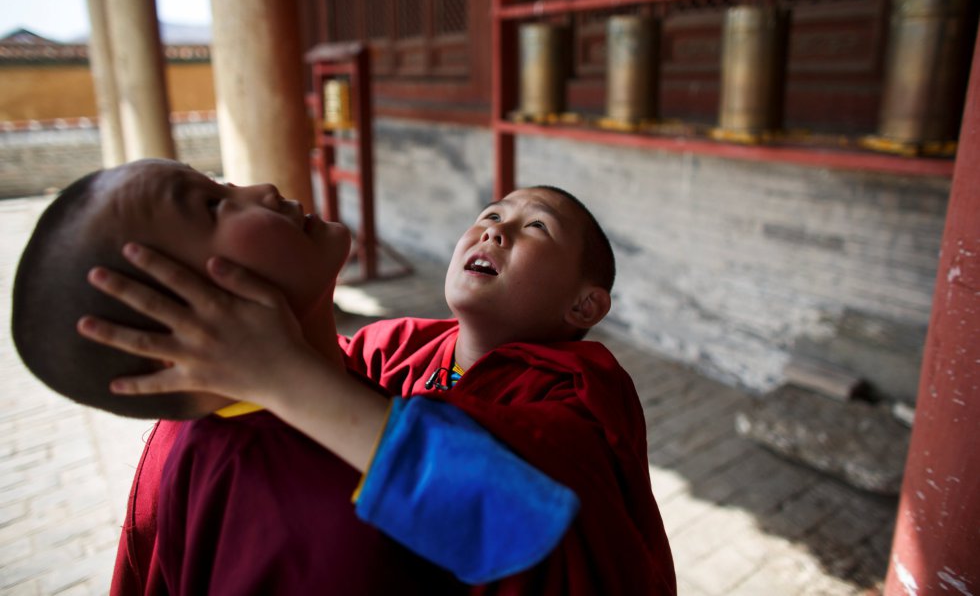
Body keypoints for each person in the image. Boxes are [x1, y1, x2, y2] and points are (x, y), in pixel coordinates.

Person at [17, 158, 676, 593]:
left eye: (534, 227)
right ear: (180, 312)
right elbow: (519, 523)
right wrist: (282, 375)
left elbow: (549, 513)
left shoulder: (364, 375)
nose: (258, 188)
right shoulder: (301, 492)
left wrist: (285, 373)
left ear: (585, 306)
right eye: (216, 205)